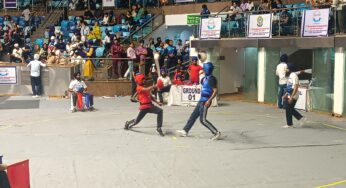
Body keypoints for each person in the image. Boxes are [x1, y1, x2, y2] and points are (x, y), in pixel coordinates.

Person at [177, 62, 221, 140]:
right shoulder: (205, 78)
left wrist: (209, 100)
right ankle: (185, 130)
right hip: (201, 100)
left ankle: (216, 132)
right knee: (193, 116)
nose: (203, 70)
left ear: (207, 69)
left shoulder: (211, 79)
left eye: (204, 69)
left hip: (205, 101)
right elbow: (198, 80)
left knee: (203, 120)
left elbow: (215, 90)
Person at [282, 63, 306, 128]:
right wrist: (285, 94)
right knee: (288, 108)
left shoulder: (294, 76)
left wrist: (291, 97)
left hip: (294, 94)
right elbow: (289, 87)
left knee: (288, 108)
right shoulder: (289, 76)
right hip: (289, 94)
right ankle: (290, 124)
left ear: (289, 69)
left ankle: (300, 118)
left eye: (286, 68)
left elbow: (295, 87)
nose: (285, 70)